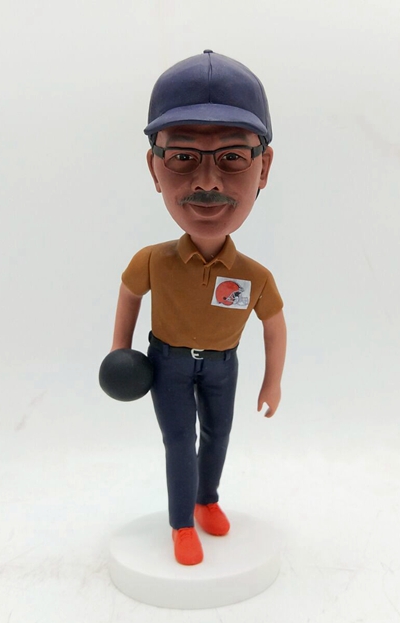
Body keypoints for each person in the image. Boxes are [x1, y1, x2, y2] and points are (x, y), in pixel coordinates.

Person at [110, 50, 287, 566]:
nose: (207, 182)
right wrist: (119, 352)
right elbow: (129, 294)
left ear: (263, 167)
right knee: (177, 441)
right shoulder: (151, 260)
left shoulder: (254, 277)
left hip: (223, 367)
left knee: (218, 435)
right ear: (154, 167)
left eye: (232, 157)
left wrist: (272, 382)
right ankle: (181, 523)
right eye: (183, 157)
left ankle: (207, 499)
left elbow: (273, 325)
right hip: (166, 364)